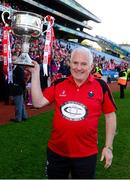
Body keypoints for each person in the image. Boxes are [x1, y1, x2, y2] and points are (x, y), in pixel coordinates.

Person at [29, 47, 117, 179]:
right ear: (69, 63)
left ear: (91, 66)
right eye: (75, 63)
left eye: (83, 64)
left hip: (87, 155)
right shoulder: (59, 83)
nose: (78, 68)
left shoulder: (101, 86)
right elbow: (38, 102)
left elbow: (110, 116)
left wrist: (108, 147)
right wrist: (35, 74)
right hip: (56, 153)